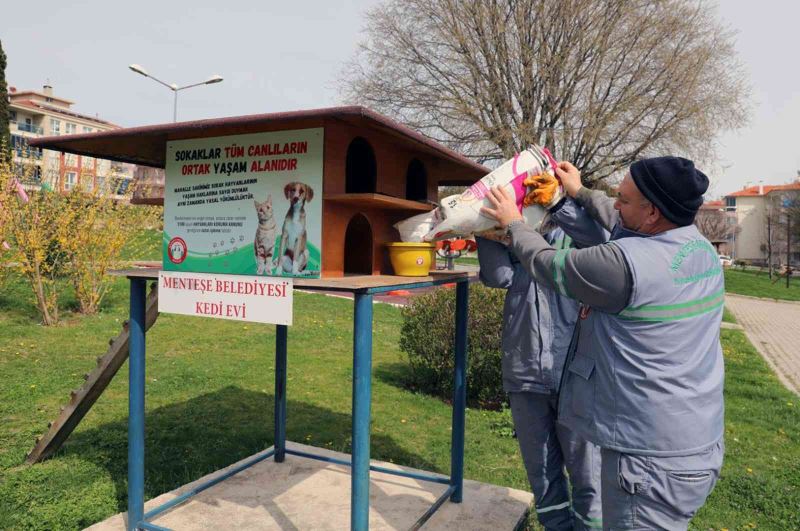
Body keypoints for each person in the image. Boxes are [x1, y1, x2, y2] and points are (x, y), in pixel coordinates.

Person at [481, 157, 725, 530]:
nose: (613, 204)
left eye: (623, 200)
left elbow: (546, 263)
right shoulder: (699, 250)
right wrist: (574, 193)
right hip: (697, 444)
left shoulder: (623, 265)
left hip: (647, 461)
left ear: (653, 214)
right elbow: (618, 222)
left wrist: (513, 222)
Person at [477, 198, 606, 530]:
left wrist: (561, 204)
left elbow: (601, 243)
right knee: (544, 480)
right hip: (526, 374)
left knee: (588, 477)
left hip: (577, 378)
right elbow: (498, 277)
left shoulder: (577, 236)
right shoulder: (514, 236)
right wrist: (484, 229)